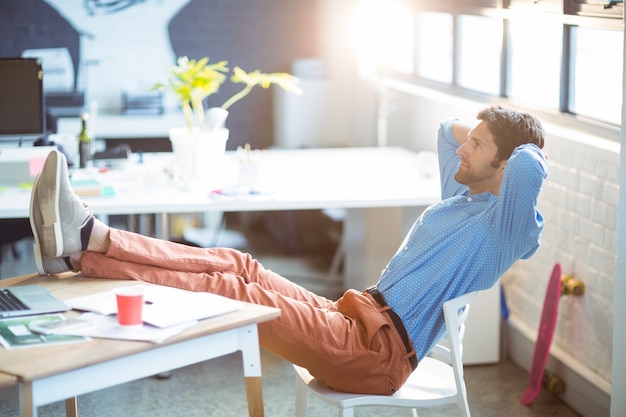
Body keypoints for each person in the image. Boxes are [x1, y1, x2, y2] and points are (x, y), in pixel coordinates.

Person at [29, 104, 547, 395]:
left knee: (233, 291)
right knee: (241, 266)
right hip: (356, 314)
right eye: (471, 139)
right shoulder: (465, 194)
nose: (462, 147)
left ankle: (84, 247)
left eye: (477, 146)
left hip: (378, 355)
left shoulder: (507, 229)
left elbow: (528, 163)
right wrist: (489, 132)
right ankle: (86, 246)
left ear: (503, 165)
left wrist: (519, 137)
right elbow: (443, 131)